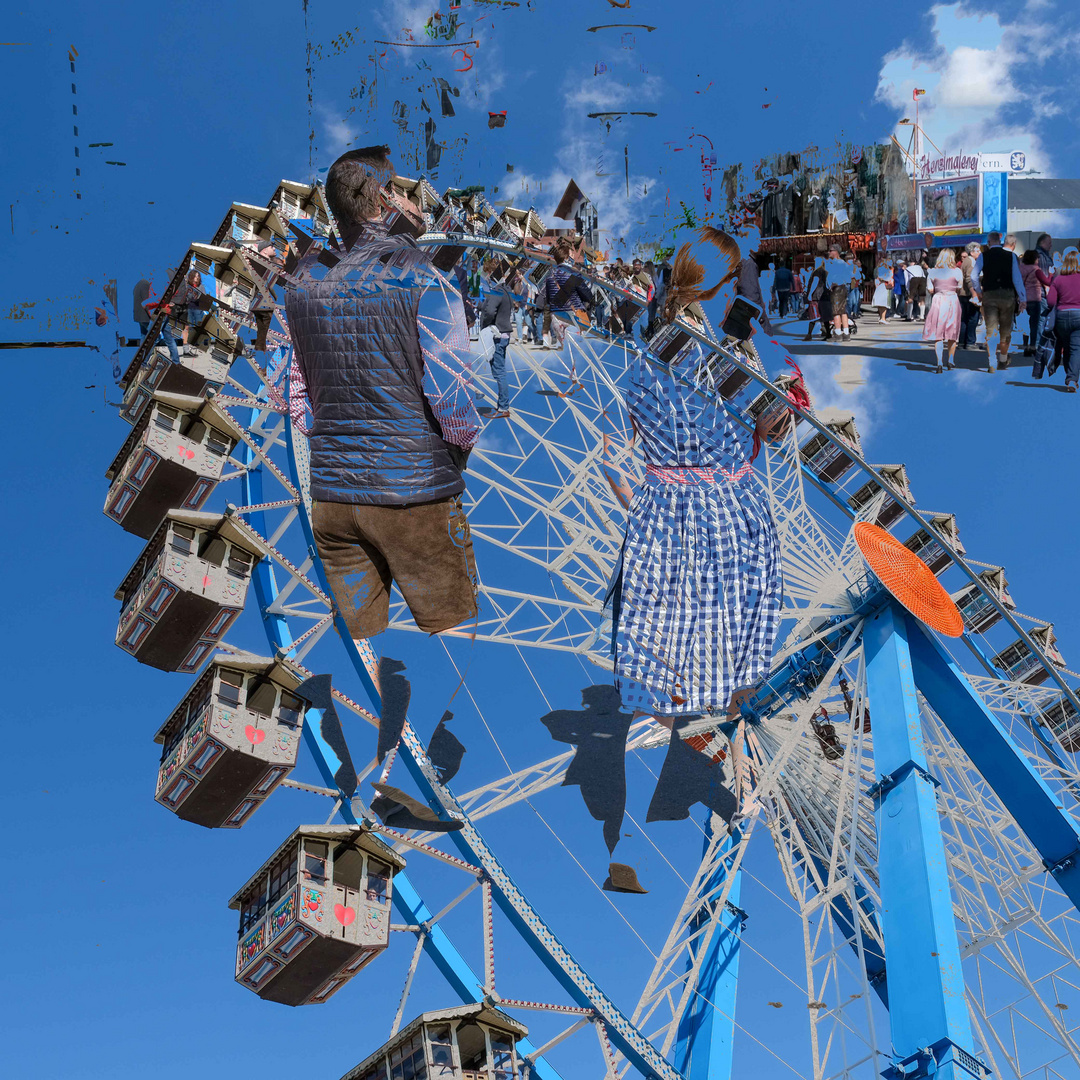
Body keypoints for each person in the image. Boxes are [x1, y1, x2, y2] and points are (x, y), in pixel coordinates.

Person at [285, 144, 482, 643]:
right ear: (385, 199)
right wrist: (457, 449)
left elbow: (294, 397)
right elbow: (451, 382)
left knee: (364, 634)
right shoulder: (420, 270)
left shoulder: (300, 285)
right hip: (412, 496)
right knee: (454, 627)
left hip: (332, 503)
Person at [606, 238, 784, 727]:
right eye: (732, 287)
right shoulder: (724, 360)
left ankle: (681, 737)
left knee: (668, 654)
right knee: (733, 651)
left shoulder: (645, 347)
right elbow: (770, 425)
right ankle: (731, 739)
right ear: (715, 289)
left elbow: (625, 433)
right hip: (727, 515)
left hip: (661, 515)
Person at [973, 231, 1026, 372]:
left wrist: (978, 291)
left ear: (989, 243)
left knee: (990, 330)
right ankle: (1003, 358)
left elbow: (974, 276)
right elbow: (1017, 279)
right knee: (1006, 330)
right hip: (1007, 296)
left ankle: (992, 362)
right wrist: (1023, 298)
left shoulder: (983, 256)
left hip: (989, 295)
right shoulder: (1011, 257)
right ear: (1000, 242)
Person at [923, 249, 963, 372]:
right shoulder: (957, 271)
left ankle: (939, 362)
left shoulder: (933, 271)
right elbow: (959, 287)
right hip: (952, 300)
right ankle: (950, 360)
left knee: (938, 334)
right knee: (952, 332)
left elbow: (930, 289)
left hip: (939, 300)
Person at [1046, 249, 1080, 391]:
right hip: (1078, 315)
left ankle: (1070, 376)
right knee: (1076, 349)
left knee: (1066, 347)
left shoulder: (1058, 279)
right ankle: (1072, 378)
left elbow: (1051, 301)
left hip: (1061, 317)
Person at [480, 275, 513, 417]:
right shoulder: (506, 291)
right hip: (505, 334)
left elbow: (490, 311)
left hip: (497, 335)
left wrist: (485, 325)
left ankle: (503, 408)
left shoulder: (497, 291)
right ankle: (502, 406)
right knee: (500, 371)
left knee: (499, 373)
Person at [734, 233, 773, 334]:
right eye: (756, 238)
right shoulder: (748, 263)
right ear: (744, 239)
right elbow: (750, 294)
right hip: (751, 318)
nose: (759, 242)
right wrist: (761, 320)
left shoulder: (739, 259)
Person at [823, 247, 852, 340]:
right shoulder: (844, 263)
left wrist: (833, 284)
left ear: (836, 252)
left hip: (836, 288)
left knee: (836, 311)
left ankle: (838, 333)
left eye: (831, 251)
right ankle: (846, 333)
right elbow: (849, 277)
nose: (829, 252)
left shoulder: (834, 263)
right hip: (843, 287)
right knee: (843, 311)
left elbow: (830, 274)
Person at [1019, 249, 1044, 357]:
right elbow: (1045, 281)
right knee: (1034, 324)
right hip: (1035, 299)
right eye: (1037, 258)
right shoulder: (1037, 270)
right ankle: (1033, 346)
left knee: (1025, 324)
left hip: (1023, 299)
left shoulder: (1021, 269)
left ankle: (1025, 346)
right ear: (1034, 258)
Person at [958, 242, 982, 349]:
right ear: (972, 252)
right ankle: (970, 342)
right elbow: (969, 278)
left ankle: (962, 342)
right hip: (969, 294)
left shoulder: (966, 261)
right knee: (972, 318)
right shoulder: (971, 262)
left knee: (964, 319)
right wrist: (974, 294)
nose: (980, 252)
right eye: (978, 250)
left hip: (963, 294)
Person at [905, 254, 926, 320]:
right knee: (922, 298)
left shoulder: (907, 269)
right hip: (922, 279)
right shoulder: (919, 267)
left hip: (914, 279)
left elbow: (907, 280)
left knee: (911, 297)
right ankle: (922, 316)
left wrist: (908, 290)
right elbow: (924, 276)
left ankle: (909, 316)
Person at [845, 254, 862, 321]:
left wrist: (854, 276)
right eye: (850, 259)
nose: (852, 260)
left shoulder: (855, 267)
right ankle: (848, 314)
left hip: (853, 284)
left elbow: (858, 276)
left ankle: (853, 312)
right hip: (846, 284)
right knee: (849, 301)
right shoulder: (844, 266)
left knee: (854, 301)